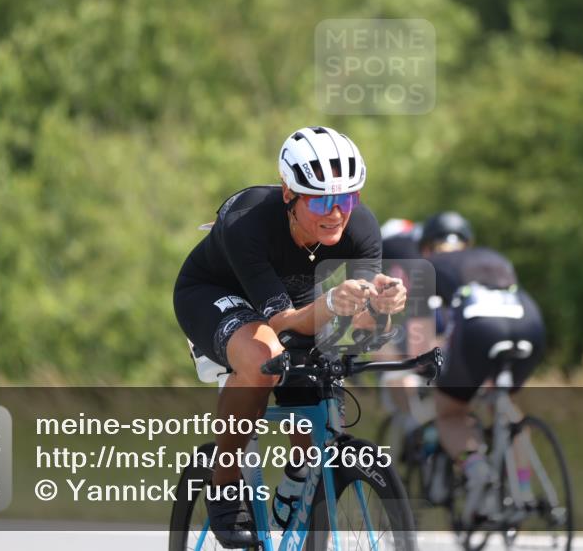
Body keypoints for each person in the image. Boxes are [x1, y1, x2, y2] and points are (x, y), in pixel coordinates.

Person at [173, 126, 407, 547]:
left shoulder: (362, 228)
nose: (336, 213)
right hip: (216, 293)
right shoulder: (248, 220)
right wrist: (331, 302)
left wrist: (382, 308)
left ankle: (299, 479)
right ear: (288, 194)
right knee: (263, 359)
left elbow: (360, 330)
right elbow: (282, 322)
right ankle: (224, 485)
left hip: (295, 304)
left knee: (319, 375)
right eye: (320, 201)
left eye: (346, 199)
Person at [419, 212, 547, 520]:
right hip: (530, 322)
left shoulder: (429, 266)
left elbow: (419, 337)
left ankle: (476, 469)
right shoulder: (492, 257)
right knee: (505, 406)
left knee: (449, 412)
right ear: (468, 243)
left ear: (426, 248)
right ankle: (523, 491)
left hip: (480, 327)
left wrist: (420, 365)